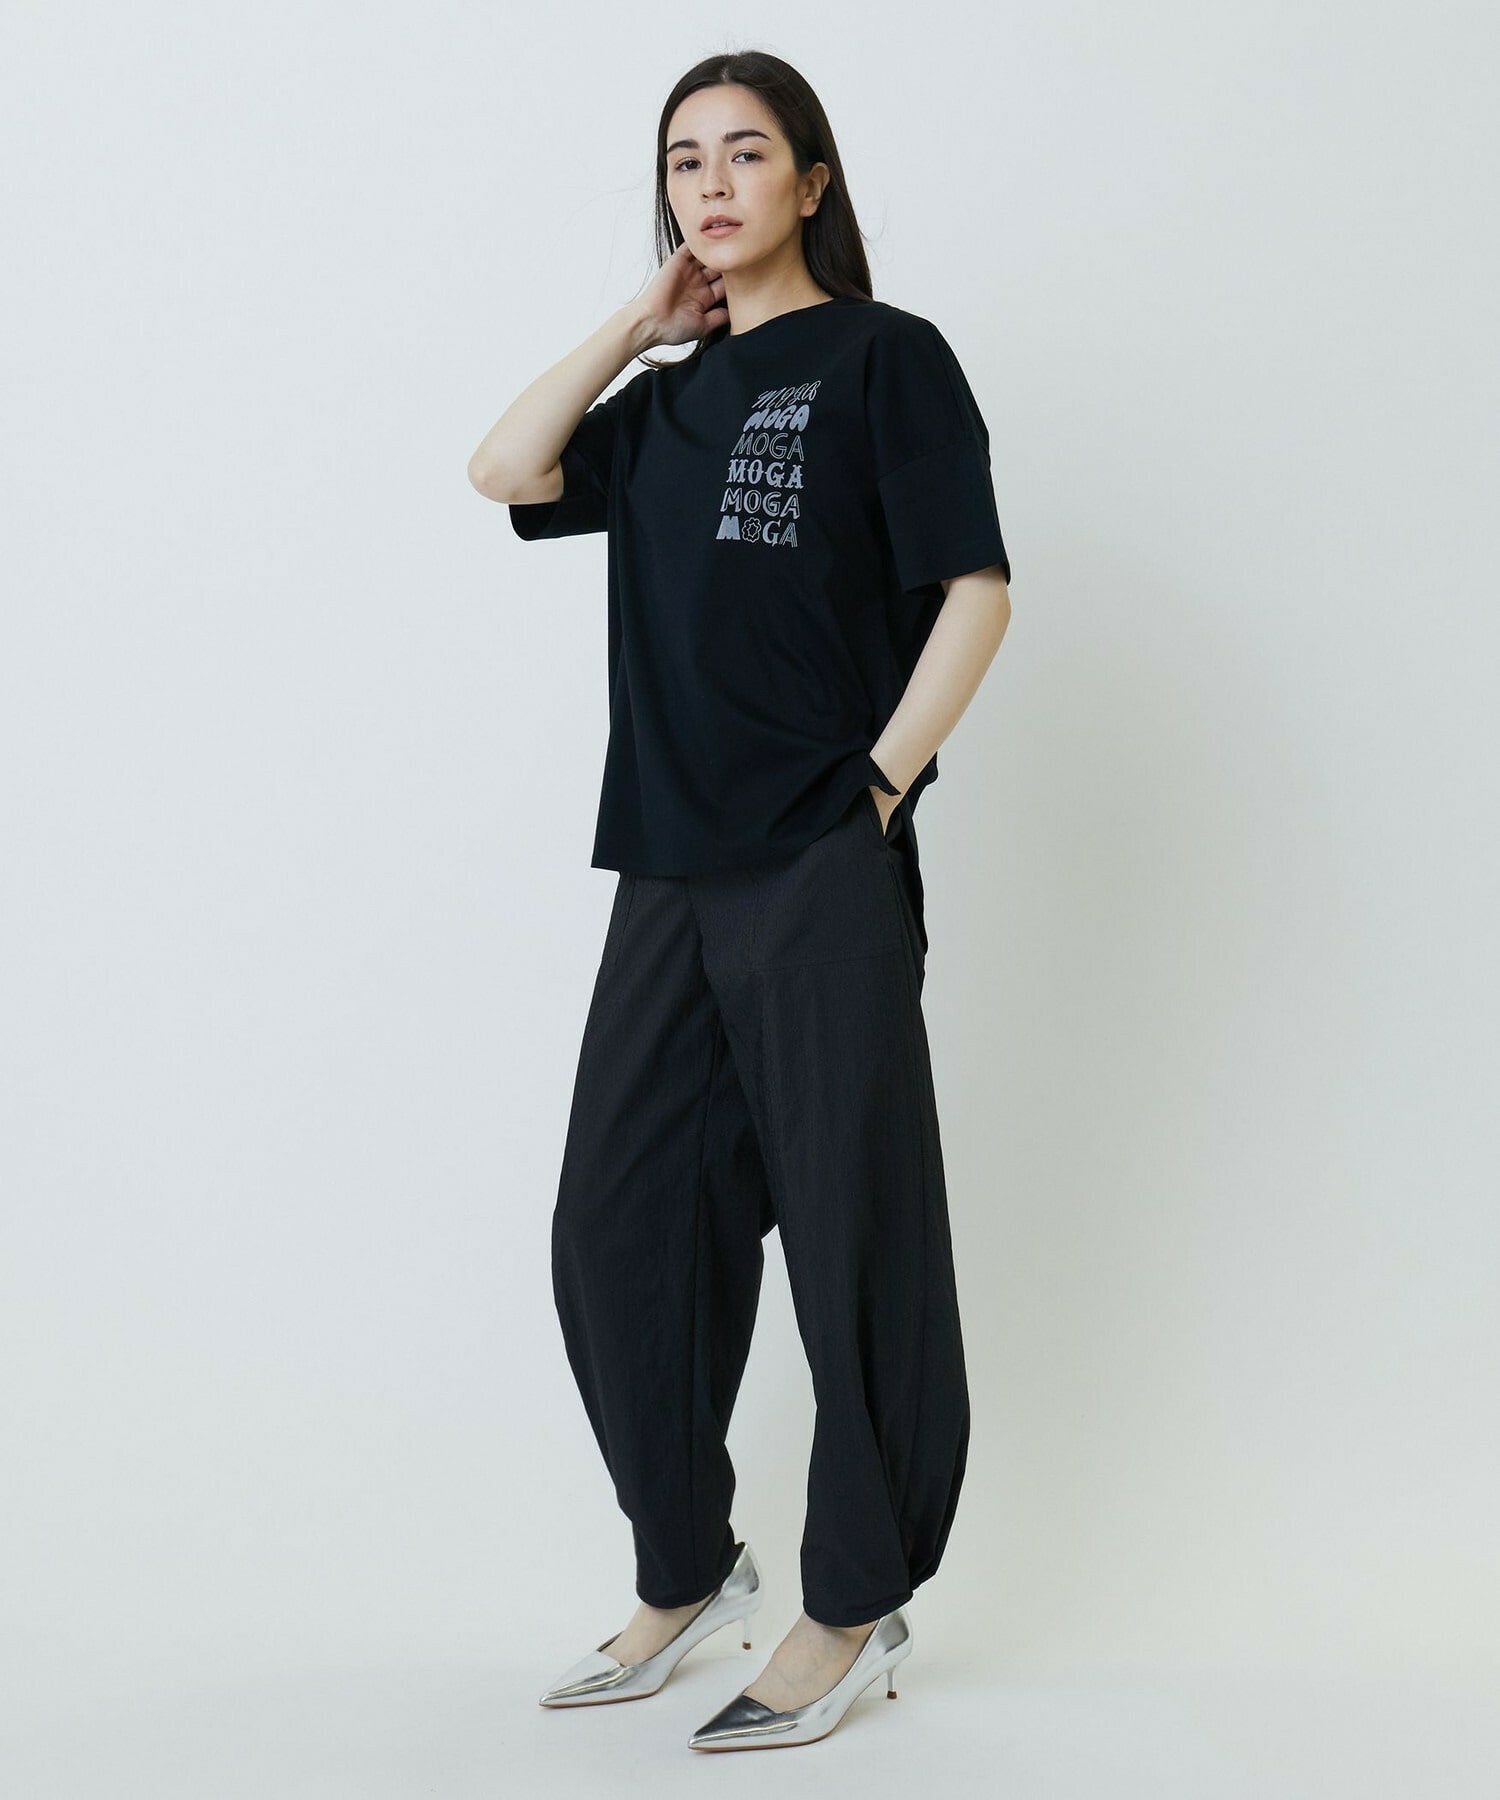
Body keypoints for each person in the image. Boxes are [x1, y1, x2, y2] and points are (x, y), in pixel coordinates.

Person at [468, 49, 1012, 1752]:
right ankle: (688, 1569)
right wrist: (637, 328)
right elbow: (504, 468)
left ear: (812, 180)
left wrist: (879, 789)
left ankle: (854, 1602)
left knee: (853, 1234)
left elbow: (976, 591)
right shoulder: (668, 404)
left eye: (746, 153)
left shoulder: (886, 358)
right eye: (683, 160)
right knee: (615, 1228)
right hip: (668, 867)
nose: (710, 184)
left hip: (817, 862)